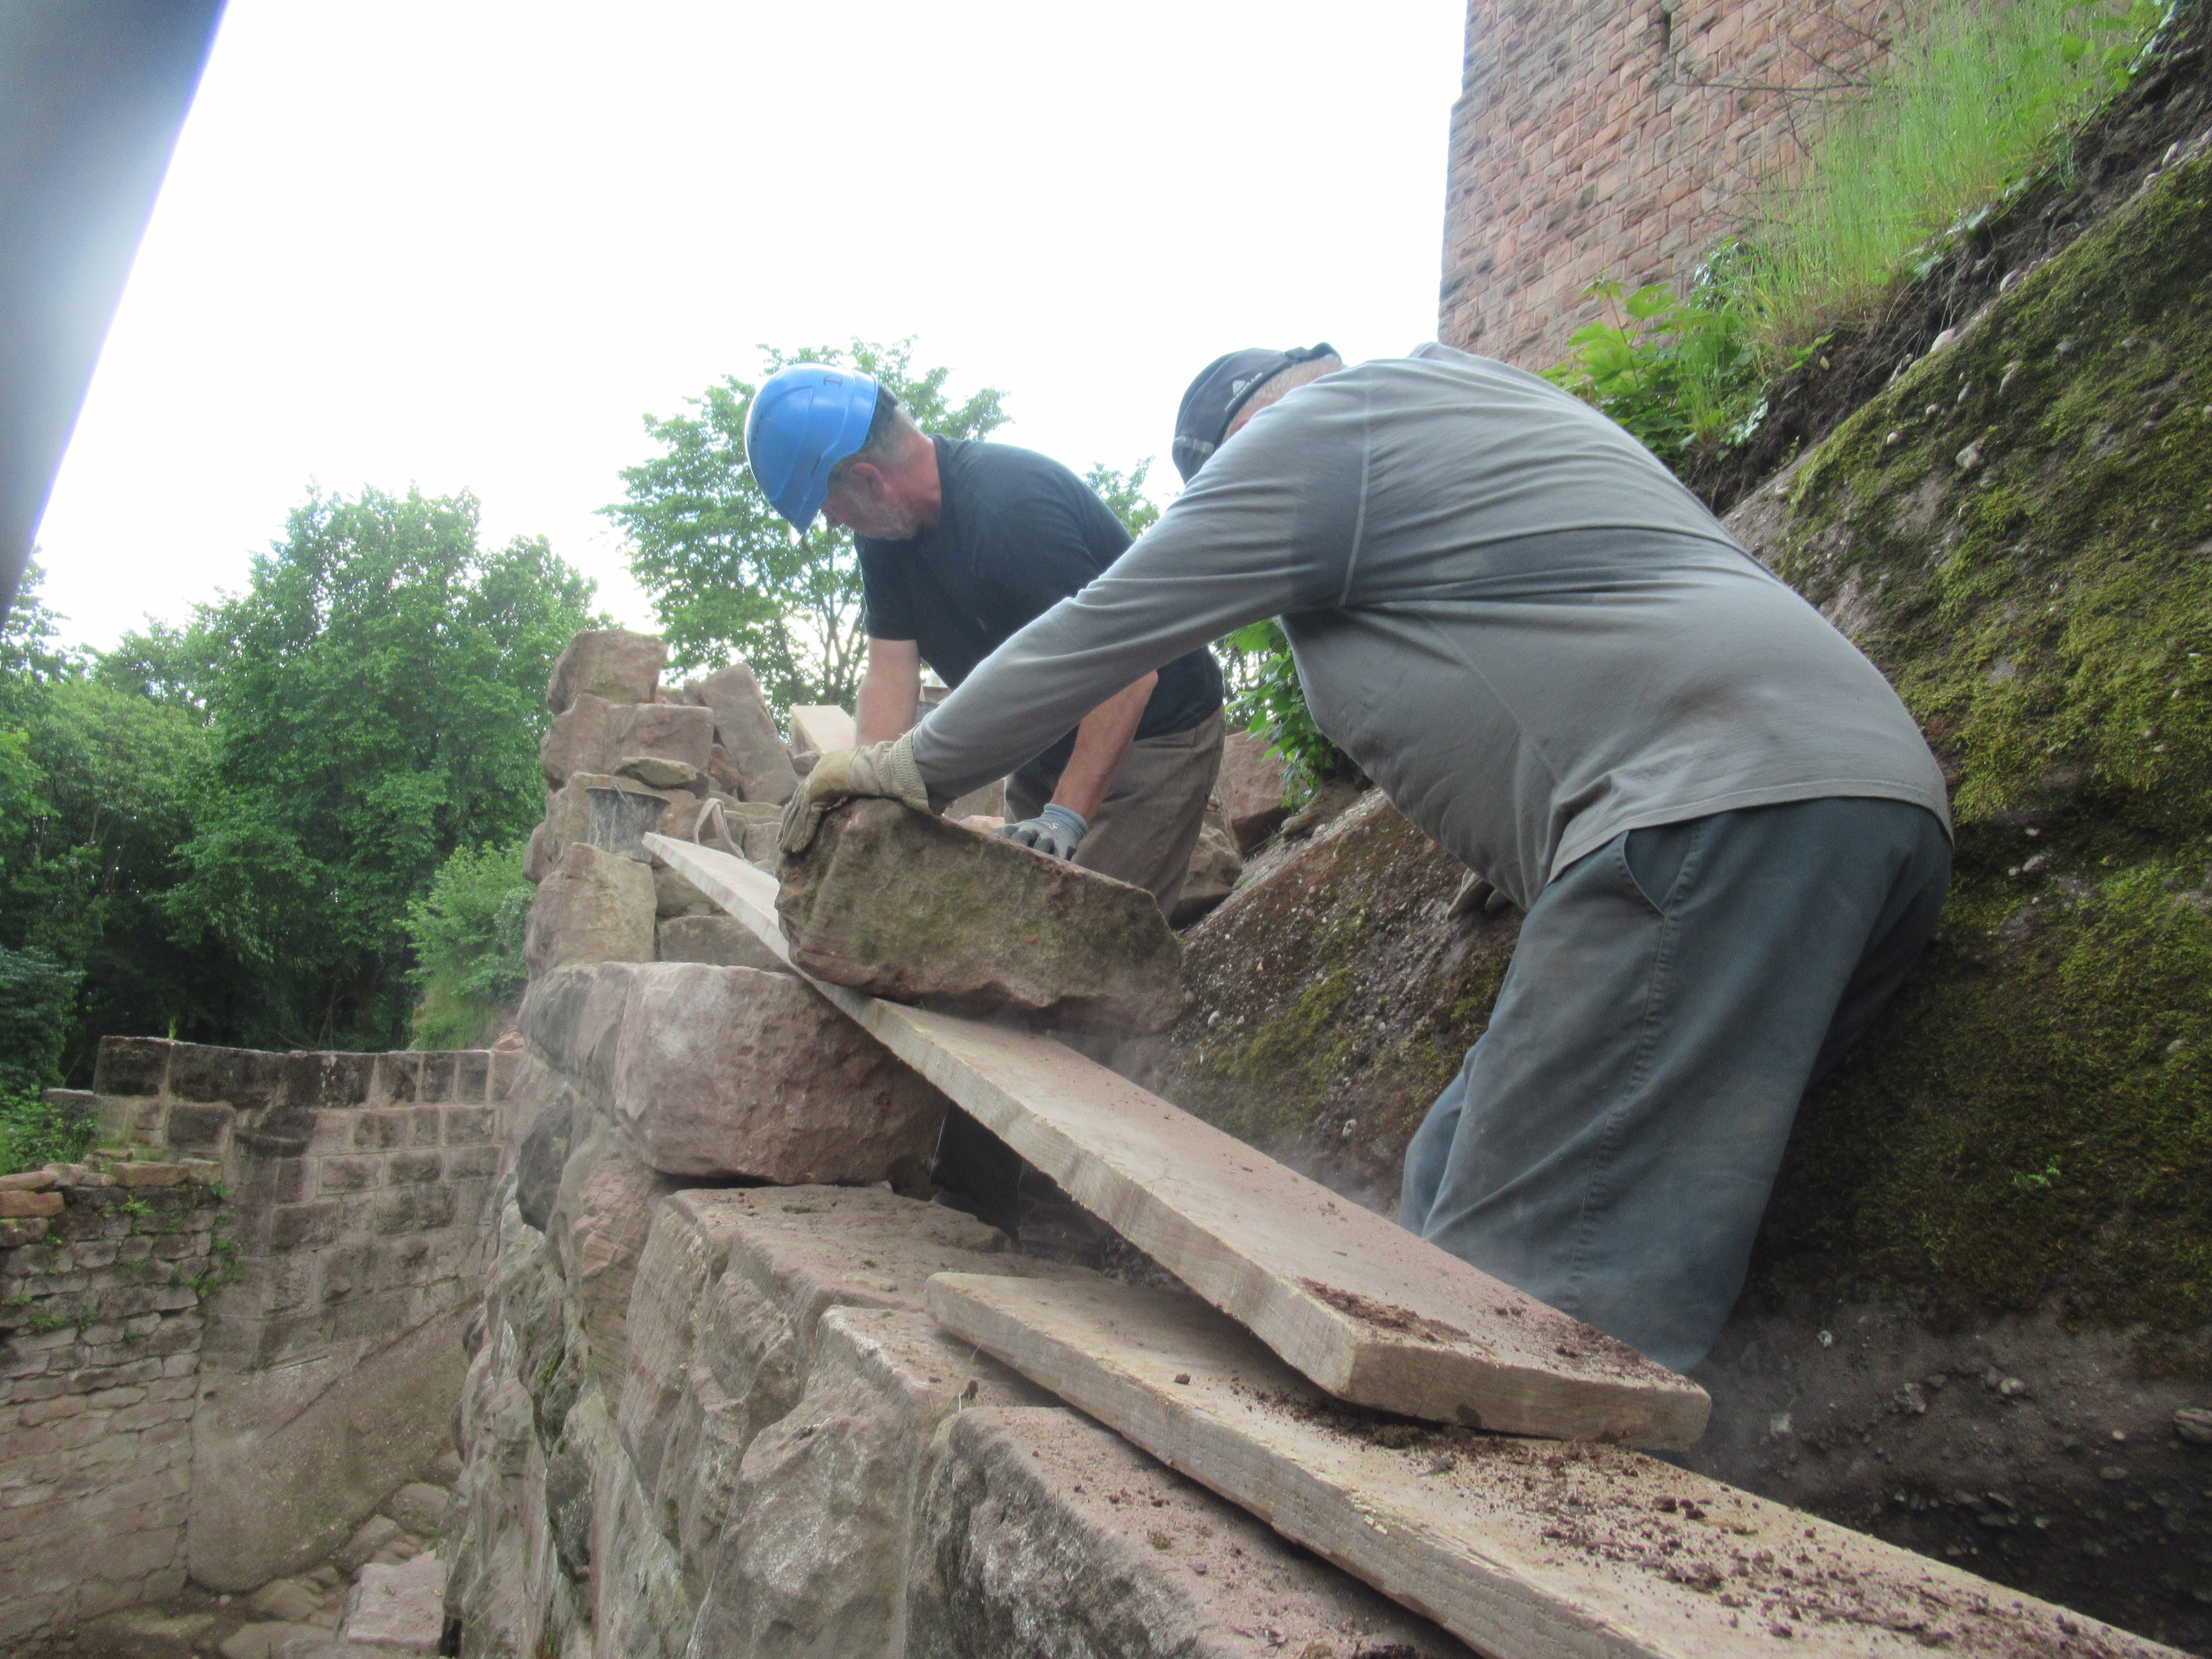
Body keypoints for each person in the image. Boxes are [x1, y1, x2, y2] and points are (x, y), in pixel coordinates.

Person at [778, 339, 1953, 1378]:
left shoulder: (1304, 444)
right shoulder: (1484, 405)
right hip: (1864, 810)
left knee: (1511, 1317)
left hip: (1704, 824)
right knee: (1449, 1172)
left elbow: (1109, 631)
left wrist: (913, 768)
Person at [743, 361, 1225, 911]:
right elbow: (890, 671)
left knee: (1087, 931)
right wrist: (866, 797)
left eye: (828, 509)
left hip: (1151, 730)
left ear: (869, 479)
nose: (834, 524)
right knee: (1014, 923)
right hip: (1044, 735)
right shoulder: (884, 536)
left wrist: (1065, 816)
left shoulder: (1011, 512)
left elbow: (1128, 674)